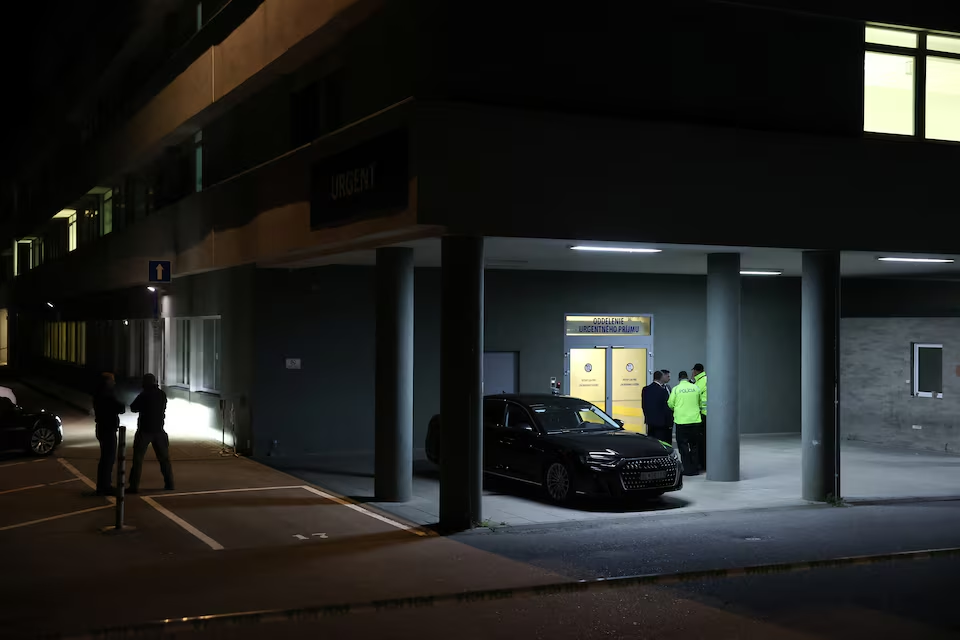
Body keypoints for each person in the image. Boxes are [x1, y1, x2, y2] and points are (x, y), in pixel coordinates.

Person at [128, 373, 174, 493]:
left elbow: (133, 408)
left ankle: (134, 486)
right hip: (159, 430)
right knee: (164, 459)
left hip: (145, 431)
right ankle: (170, 483)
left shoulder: (144, 395)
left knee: (138, 459)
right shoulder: (161, 394)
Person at [93, 372, 125, 496]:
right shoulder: (106, 395)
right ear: (107, 382)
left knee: (106, 458)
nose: (114, 383)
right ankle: (104, 487)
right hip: (107, 429)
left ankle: (103, 485)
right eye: (112, 380)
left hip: (103, 428)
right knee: (108, 458)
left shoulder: (99, 393)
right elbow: (120, 408)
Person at [667, 371, 702, 476]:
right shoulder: (696, 388)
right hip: (695, 421)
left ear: (679, 378)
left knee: (683, 446)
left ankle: (687, 469)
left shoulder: (676, 389)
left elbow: (670, 404)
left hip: (681, 422)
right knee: (695, 446)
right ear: (687, 378)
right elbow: (700, 403)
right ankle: (695, 469)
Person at [641, 371, 672, 444]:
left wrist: (647, 417)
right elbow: (666, 408)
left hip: (650, 421)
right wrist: (670, 423)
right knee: (661, 443)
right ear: (661, 377)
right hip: (661, 423)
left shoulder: (645, 389)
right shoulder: (663, 391)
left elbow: (643, 406)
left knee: (651, 442)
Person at [692, 363, 708, 472]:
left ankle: (703, 464)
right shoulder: (702, 380)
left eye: (693, 371)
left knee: (701, 442)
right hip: (705, 414)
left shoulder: (701, 381)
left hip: (704, 415)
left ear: (696, 371)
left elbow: (695, 396)